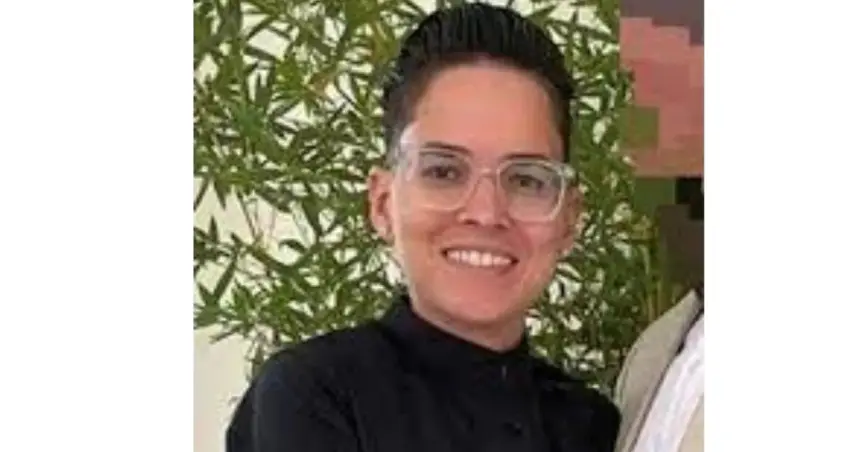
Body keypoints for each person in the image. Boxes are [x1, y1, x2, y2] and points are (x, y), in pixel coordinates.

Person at [225, 3, 620, 451]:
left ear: (569, 218)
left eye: (526, 180)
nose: (486, 213)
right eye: (444, 171)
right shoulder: (315, 395)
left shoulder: (595, 427)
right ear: (382, 203)